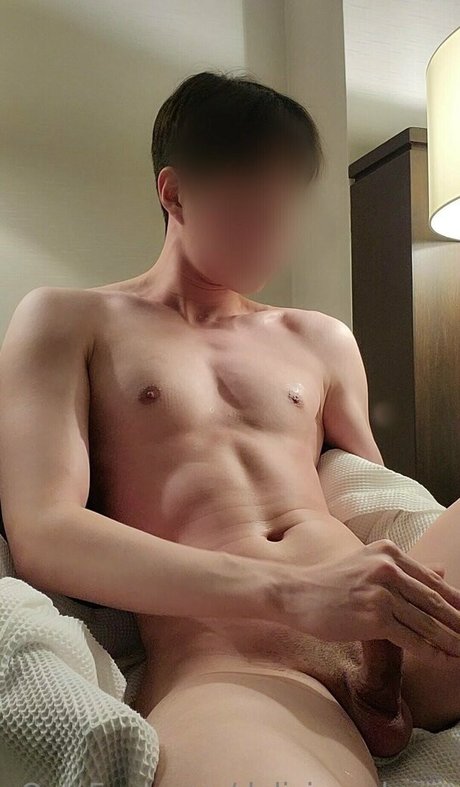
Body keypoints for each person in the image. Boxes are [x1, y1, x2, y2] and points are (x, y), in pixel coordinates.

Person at [1, 70, 460, 787]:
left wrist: (381, 613)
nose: (276, 222)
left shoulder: (322, 338)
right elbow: (43, 532)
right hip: (240, 657)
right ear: (175, 192)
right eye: (252, 196)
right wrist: (292, 593)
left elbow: (372, 495)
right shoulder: (68, 320)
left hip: (394, 630)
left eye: (288, 198)